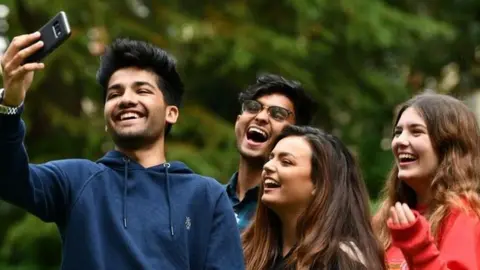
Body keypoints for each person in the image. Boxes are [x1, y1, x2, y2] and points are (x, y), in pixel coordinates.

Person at [0, 32, 244, 270]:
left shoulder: (207, 196)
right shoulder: (76, 180)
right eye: (114, 94)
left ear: (171, 113)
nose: (126, 99)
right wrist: (10, 104)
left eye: (142, 90)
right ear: (107, 119)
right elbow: (9, 178)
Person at [242, 125, 386, 270]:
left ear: (319, 183)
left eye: (286, 162)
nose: (268, 166)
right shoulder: (249, 249)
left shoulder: (343, 261)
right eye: (270, 158)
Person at [373, 93, 480, 269]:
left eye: (416, 132)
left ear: (448, 148)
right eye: (398, 132)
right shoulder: (385, 218)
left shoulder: (465, 216)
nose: (400, 141)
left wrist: (418, 248)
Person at [226, 74, 316, 231]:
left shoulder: (292, 214)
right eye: (253, 107)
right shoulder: (209, 198)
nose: (260, 117)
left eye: (278, 114)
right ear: (238, 120)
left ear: (296, 135)